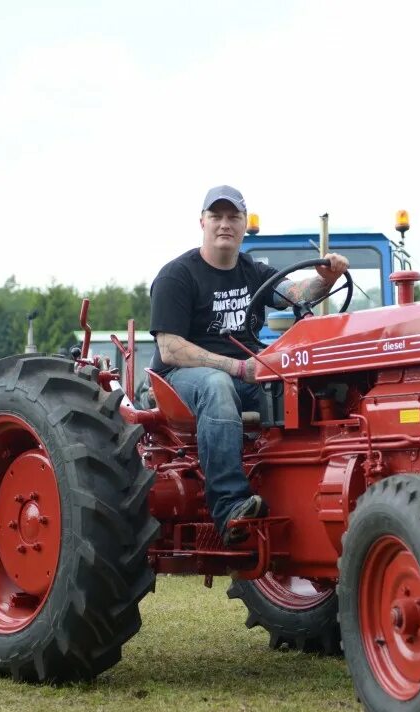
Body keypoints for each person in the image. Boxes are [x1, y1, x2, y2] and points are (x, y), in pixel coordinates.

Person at [148, 185, 349, 546]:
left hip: (245, 373)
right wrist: (239, 368)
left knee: (311, 385)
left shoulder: (253, 271)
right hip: (180, 379)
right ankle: (229, 507)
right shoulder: (176, 275)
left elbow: (295, 293)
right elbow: (171, 349)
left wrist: (326, 278)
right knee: (216, 385)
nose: (225, 224)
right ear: (202, 222)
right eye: (217, 216)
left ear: (244, 224)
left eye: (233, 217)